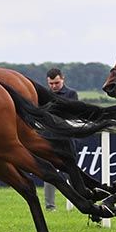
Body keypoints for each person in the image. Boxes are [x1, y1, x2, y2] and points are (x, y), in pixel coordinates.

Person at [43, 68, 78, 211]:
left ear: (63, 79)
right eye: (51, 84)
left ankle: (77, 202)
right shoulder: (44, 94)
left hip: (66, 139)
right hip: (48, 138)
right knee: (49, 173)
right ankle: (50, 207)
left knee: (70, 172)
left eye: (56, 83)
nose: (53, 86)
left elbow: (72, 113)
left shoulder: (71, 94)